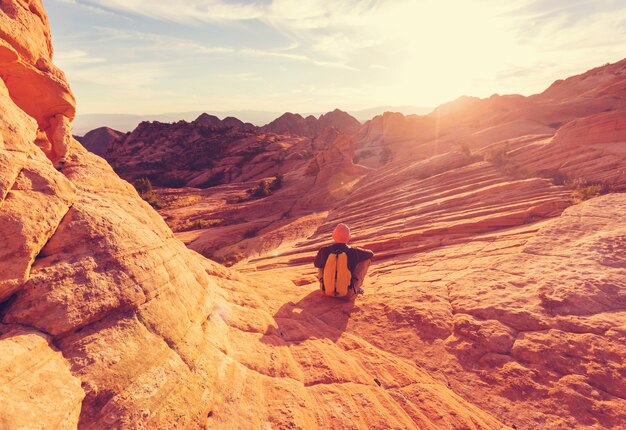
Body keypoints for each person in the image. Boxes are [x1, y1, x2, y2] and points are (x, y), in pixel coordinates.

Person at [314, 223, 374, 295]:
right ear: (349, 238)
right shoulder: (353, 251)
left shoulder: (324, 250)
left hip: (326, 292)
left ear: (333, 236)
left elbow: (316, 264)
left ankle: (325, 286)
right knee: (366, 260)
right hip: (347, 293)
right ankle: (356, 287)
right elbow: (371, 254)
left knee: (321, 264)